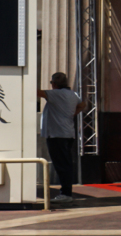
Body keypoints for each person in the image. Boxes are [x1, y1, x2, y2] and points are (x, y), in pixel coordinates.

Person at [37, 73, 86, 203]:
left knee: (62, 165)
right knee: (66, 163)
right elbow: (83, 105)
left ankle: (66, 193)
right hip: (67, 133)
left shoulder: (56, 94)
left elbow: (38, 93)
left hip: (56, 134)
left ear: (54, 83)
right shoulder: (73, 95)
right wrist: (71, 114)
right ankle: (66, 192)